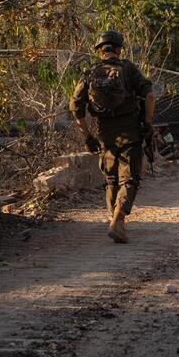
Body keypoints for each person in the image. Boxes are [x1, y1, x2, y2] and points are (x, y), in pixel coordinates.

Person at [70, 30, 155, 243]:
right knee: (130, 178)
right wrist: (148, 123)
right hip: (130, 131)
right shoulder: (128, 69)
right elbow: (150, 96)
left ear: (100, 51)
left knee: (111, 179)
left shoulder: (89, 73)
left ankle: (115, 219)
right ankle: (119, 217)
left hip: (104, 132)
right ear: (118, 49)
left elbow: (76, 107)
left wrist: (87, 135)